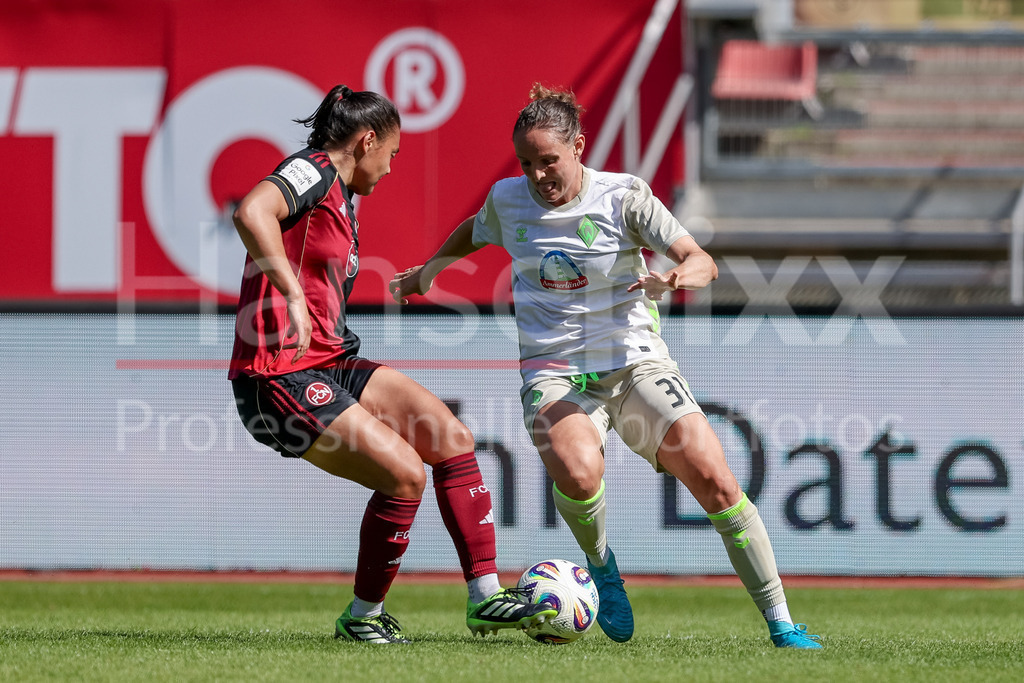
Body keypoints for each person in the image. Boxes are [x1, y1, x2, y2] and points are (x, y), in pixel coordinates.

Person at [389, 83, 823, 649]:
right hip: (555, 371)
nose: (537, 175)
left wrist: (672, 278)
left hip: (634, 365)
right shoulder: (508, 199)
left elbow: (702, 261)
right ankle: (601, 565)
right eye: (526, 163)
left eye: (548, 161)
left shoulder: (624, 197)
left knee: (715, 480)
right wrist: (431, 269)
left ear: (578, 148)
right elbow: (478, 228)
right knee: (576, 469)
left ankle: (782, 623)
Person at [228, 84, 555, 644]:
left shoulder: (342, 199)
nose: (390, 168)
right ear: (367, 139)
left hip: (330, 361)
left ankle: (487, 598)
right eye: (392, 155)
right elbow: (251, 211)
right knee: (404, 474)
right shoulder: (314, 171)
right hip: (276, 376)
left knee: (449, 435)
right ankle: (361, 618)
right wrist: (291, 292)